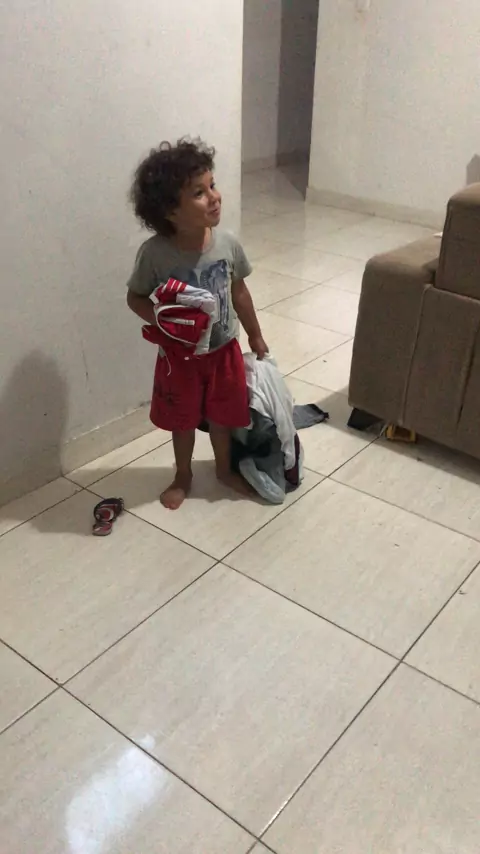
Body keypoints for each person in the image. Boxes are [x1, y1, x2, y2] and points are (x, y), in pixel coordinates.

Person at [126, 138, 269, 510]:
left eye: (212, 185)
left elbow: (239, 292)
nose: (214, 197)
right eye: (199, 193)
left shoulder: (228, 244)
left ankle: (223, 469)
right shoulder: (155, 254)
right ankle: (183, 474)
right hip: (180, 357)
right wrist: (162, 322)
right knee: (182, 419)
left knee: (223, 415)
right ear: (170, 211)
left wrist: (255, 334)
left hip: (224, 350)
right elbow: (135, 297)